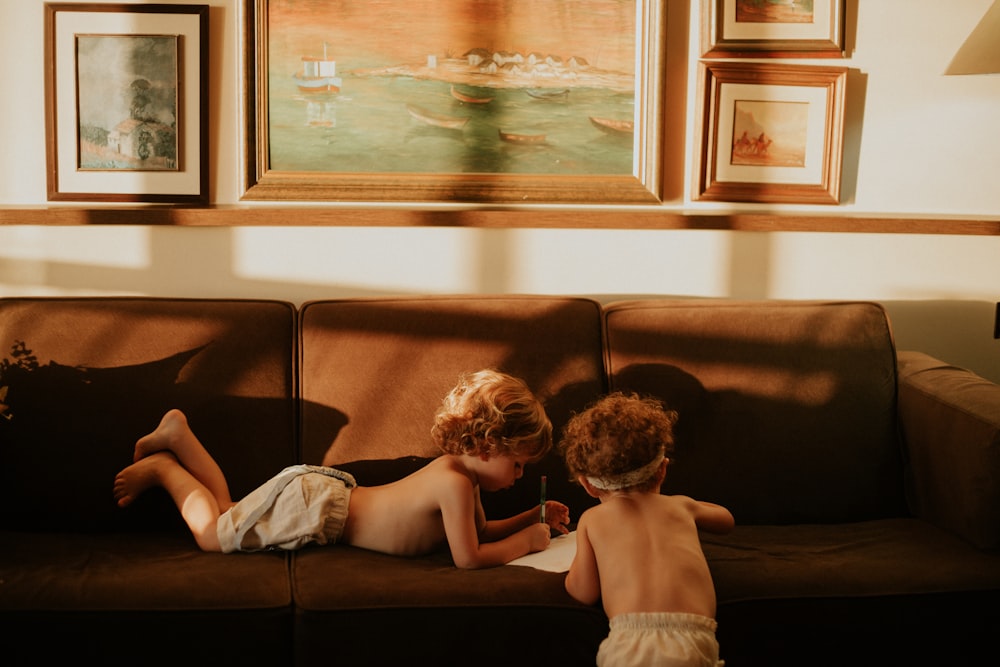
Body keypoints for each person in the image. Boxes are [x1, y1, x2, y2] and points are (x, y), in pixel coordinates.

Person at [113, 369, 570, 569]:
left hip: (320, 498)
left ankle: (180, 437)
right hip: (316, 508)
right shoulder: (453, 483)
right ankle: (165, 471)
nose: (518, 477)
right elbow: (468, 559)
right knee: (212, 537)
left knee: (229, 509)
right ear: (488, 445)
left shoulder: (459, 476)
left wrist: (534, 515)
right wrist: (527, 544)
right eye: (518, 465)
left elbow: (481, 534)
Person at [558, 392, 735, 667]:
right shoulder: (681, 506)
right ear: (662, 470)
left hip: (630, 642)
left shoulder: (592, 519)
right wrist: (687, 506)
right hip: (694, 638)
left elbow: (583, 592)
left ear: (588, 485)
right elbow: (726, 520)